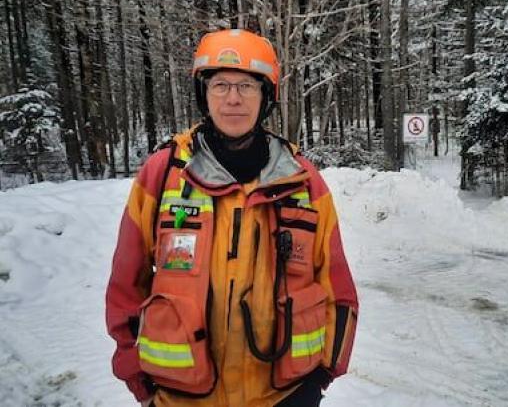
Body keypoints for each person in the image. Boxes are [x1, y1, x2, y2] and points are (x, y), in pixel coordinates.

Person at [106, 29, 359, 407]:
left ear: (266, 96)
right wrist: (139, 381)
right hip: (179, 398)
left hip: (284, 396)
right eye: (220, 85)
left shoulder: (304, 182)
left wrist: (320, 377)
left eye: (247, 86)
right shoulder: (162, 175)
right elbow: (126, 285)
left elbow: (337, 290)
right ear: (203, 94)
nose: (233, 99)